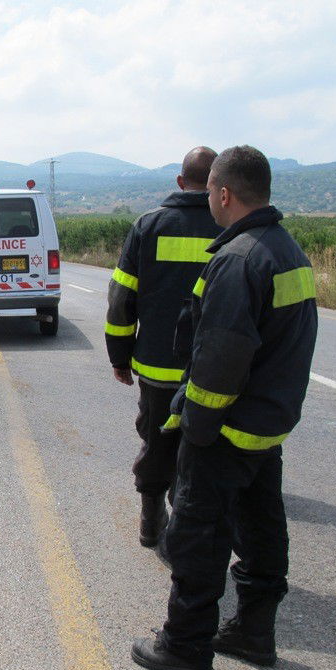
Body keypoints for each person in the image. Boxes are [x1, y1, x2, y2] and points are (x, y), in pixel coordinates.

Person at [131, 146, 318, 670]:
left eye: (211, 191)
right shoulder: (286, 250)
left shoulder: (238, 259)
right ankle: (254, 632)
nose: (209, 199)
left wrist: (197, 428)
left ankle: (186, 646)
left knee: (198, 532)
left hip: (227, 429)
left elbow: (219, 360)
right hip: (267, 425)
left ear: (225, 193)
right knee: (261, 526)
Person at [105, 147, 222, 547]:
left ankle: (150, 522)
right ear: (216, 185)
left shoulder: (148, 226)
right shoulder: (234, 229)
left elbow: (122, 300)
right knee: (202, 450)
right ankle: (185, 530)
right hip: (214, 371)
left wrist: (120, 357)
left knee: (156, 443)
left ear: (179, 181)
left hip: (157, 369)